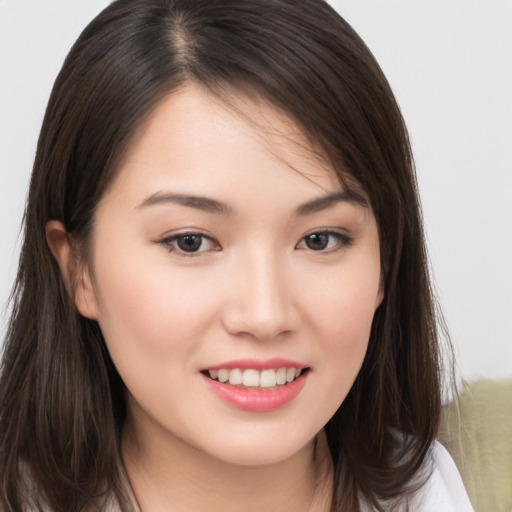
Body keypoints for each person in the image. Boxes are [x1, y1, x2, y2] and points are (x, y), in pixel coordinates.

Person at [0, 0, 474, 511]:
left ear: (385, 261)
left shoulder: (449, 487)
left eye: (320, 239)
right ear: (78, 270)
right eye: (190, 241)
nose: (265, 315)